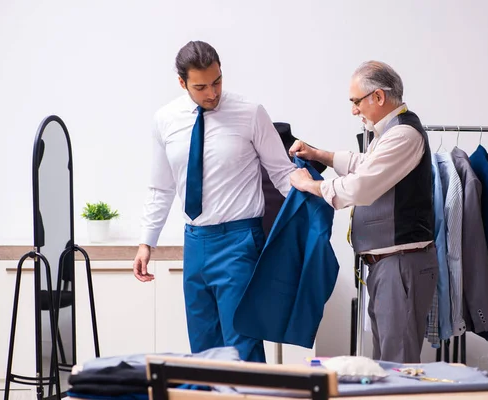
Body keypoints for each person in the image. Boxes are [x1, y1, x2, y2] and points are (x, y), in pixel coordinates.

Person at [133, 40, 296, 363]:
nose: (212, 93)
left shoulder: (250, 113)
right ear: (182, 83)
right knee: (204, 348)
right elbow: (161, 188)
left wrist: (319, 201)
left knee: (242, 345)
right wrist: (145, 243)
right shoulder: (165, 120)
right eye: (201, 86)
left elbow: (282, 174)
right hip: (195, 243)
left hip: (240, 240)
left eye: (217, 81)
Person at [289, 61, 438, 363]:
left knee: (398, 364)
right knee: (387, 361)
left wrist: (310, 185)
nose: (354, 110)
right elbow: (365, 165)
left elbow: (360, 187)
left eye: (356, 102)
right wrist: (322, 156)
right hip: (389, 266)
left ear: (378, 97)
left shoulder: (404, 135)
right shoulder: (390, 132)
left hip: (400, 266)